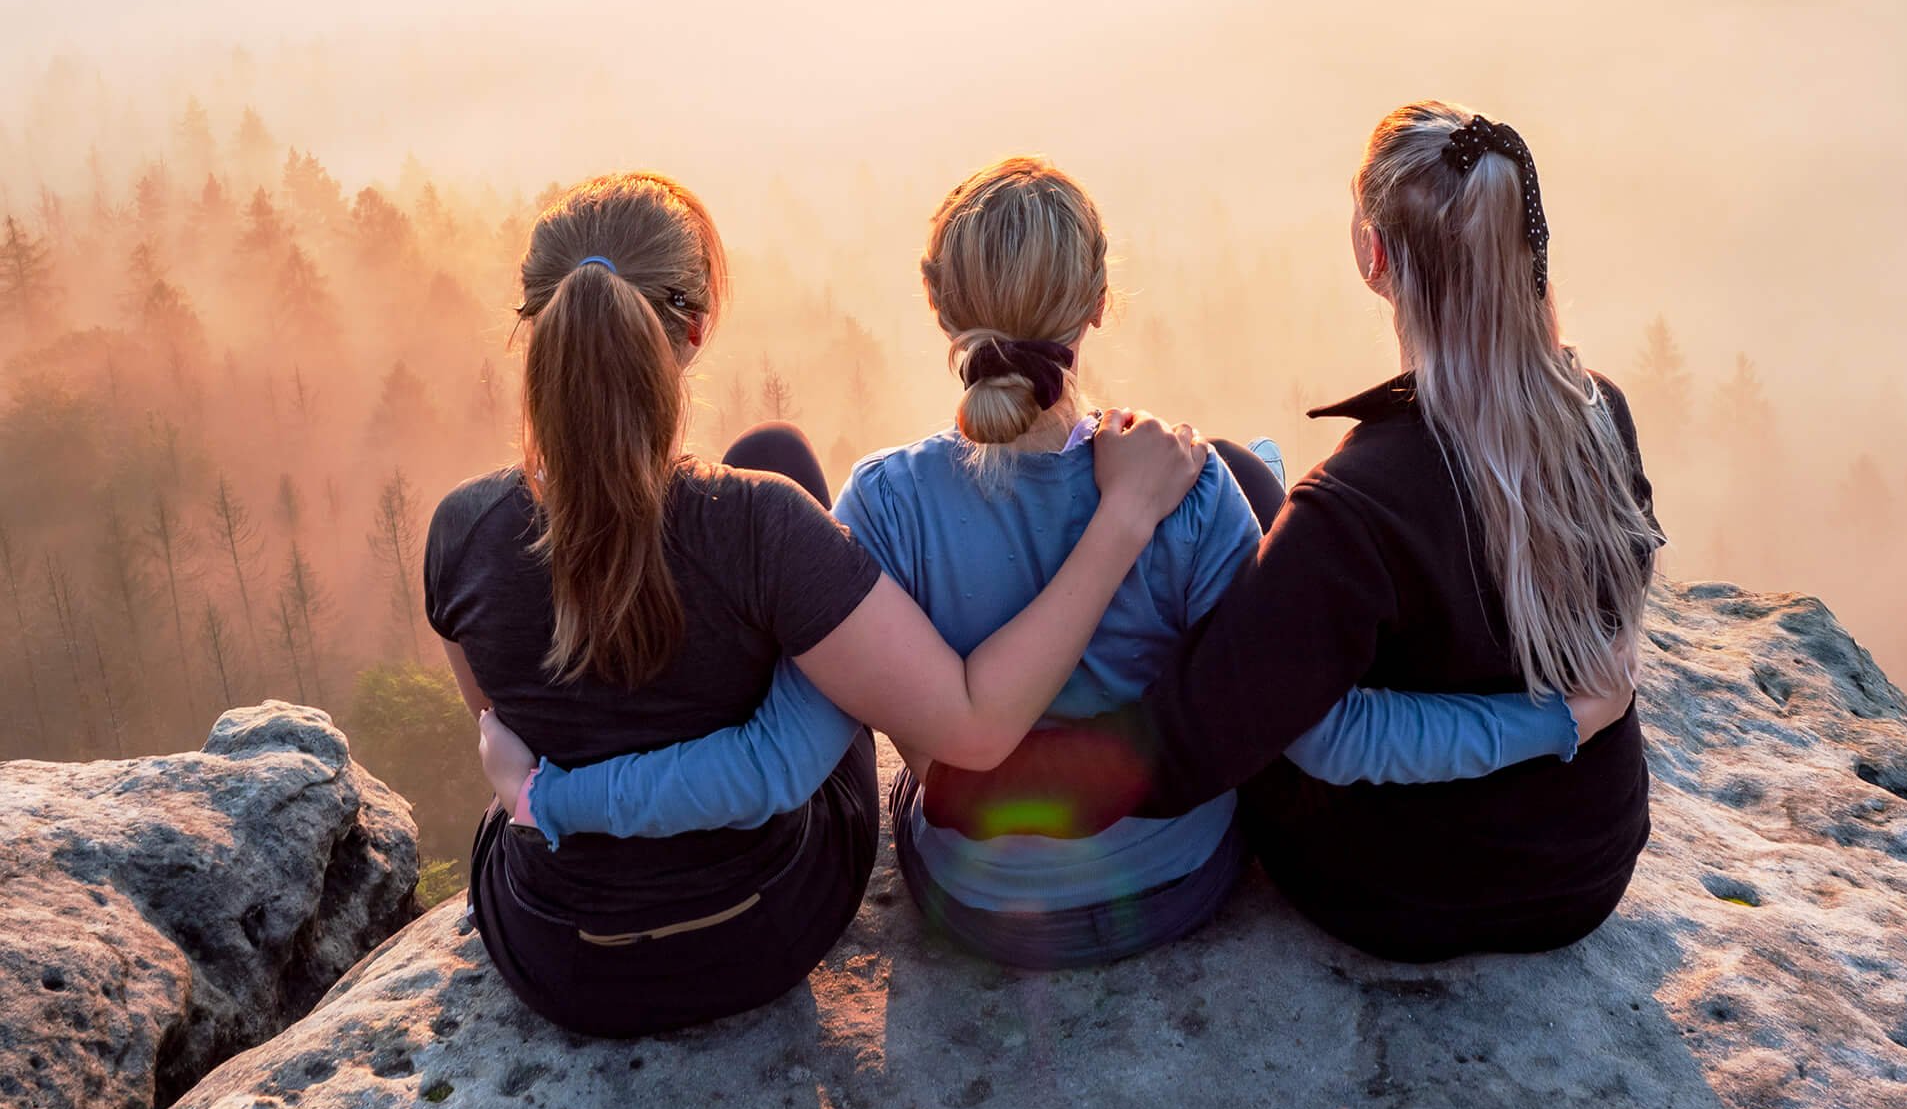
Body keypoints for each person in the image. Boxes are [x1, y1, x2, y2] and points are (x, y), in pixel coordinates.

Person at [479, 157, 1622, 972]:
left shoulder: (881, 502)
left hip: (974, 902)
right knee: (1240, 465)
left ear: (938, 307)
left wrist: (554, 791)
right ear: (1096, 305)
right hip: (1172, 887)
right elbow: (1257, 708)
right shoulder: (1180, 493)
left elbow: (792, 752)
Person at [423, 168, 1207, 1037]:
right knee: (780, 476)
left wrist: (545, 799)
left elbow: (508, 727)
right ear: (694, 329)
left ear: (533, 327)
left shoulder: (460, 531)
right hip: (757, 927)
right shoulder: (762, 523)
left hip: (558, 955)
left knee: (772, 477)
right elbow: (834, 752)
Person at [918, 108, 1664, 963]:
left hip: (1399, 890)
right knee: (1246, 479)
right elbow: (1612, 614)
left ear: (1374, 258)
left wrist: (978, 790)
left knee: (1247, 503)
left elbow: (1218, 740)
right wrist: (1567, 718)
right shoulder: (1599, 409)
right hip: (1590, 868)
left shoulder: (1353, 506)